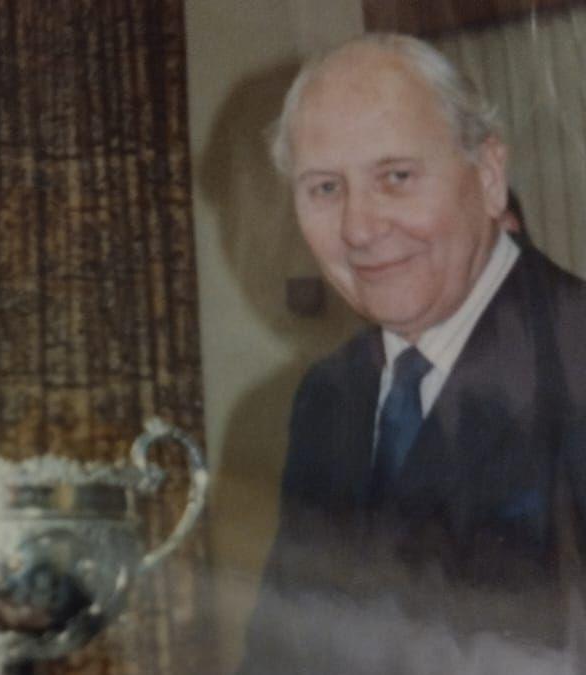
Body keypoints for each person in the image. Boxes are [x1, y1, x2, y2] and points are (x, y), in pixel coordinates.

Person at [240, 33, 586, 674]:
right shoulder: (329, 396)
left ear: (487, 178)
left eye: (395, 177)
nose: (360, 228)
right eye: (324, 188)